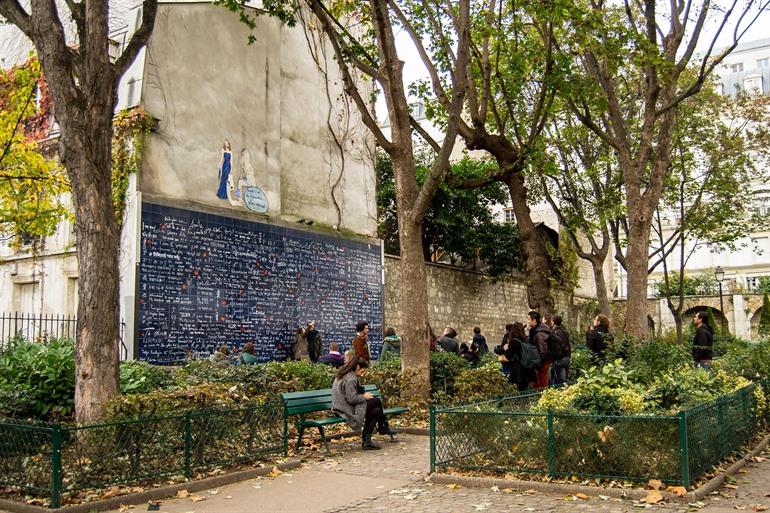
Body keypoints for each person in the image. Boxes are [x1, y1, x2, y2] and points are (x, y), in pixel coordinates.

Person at [331, 357, 396, 450]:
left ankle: (367, 442)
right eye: (363, 368)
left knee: (376, 411)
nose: (364, 371)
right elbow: (351, 399)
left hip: (342, 406)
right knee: (376, 401)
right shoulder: (351, 379)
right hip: (345, 409)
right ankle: (383, 427)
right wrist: (364, 396)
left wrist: (362, 394)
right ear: (357, 367)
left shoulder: (346, 374)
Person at [498, 322, 535, 391]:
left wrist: (506, 349)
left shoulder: (514, 341)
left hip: (518, 369)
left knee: (520, 389)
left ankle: (523, 401)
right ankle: (526, 400)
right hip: (527, 368)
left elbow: (508, 356)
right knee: (525, 388)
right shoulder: (526, 339)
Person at [528, 311, 552, 389]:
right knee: (537, 383)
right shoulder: (536, 330)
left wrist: (538, 363)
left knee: (542, 383)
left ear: (534, 320)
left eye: (529, 319)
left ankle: (544, 399)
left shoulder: (539, 334)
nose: (527, 321)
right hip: (539, 361)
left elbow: (543, 350)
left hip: (542, 362)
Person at [549, 315, 571, 385]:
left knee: (560, 380)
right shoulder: (563, 331)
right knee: (559, 378)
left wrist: (555, 357)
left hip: (560, 357)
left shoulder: (556, 332)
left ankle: (561, 393)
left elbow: (558, 345)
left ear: (553, 322)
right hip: (565, 356)